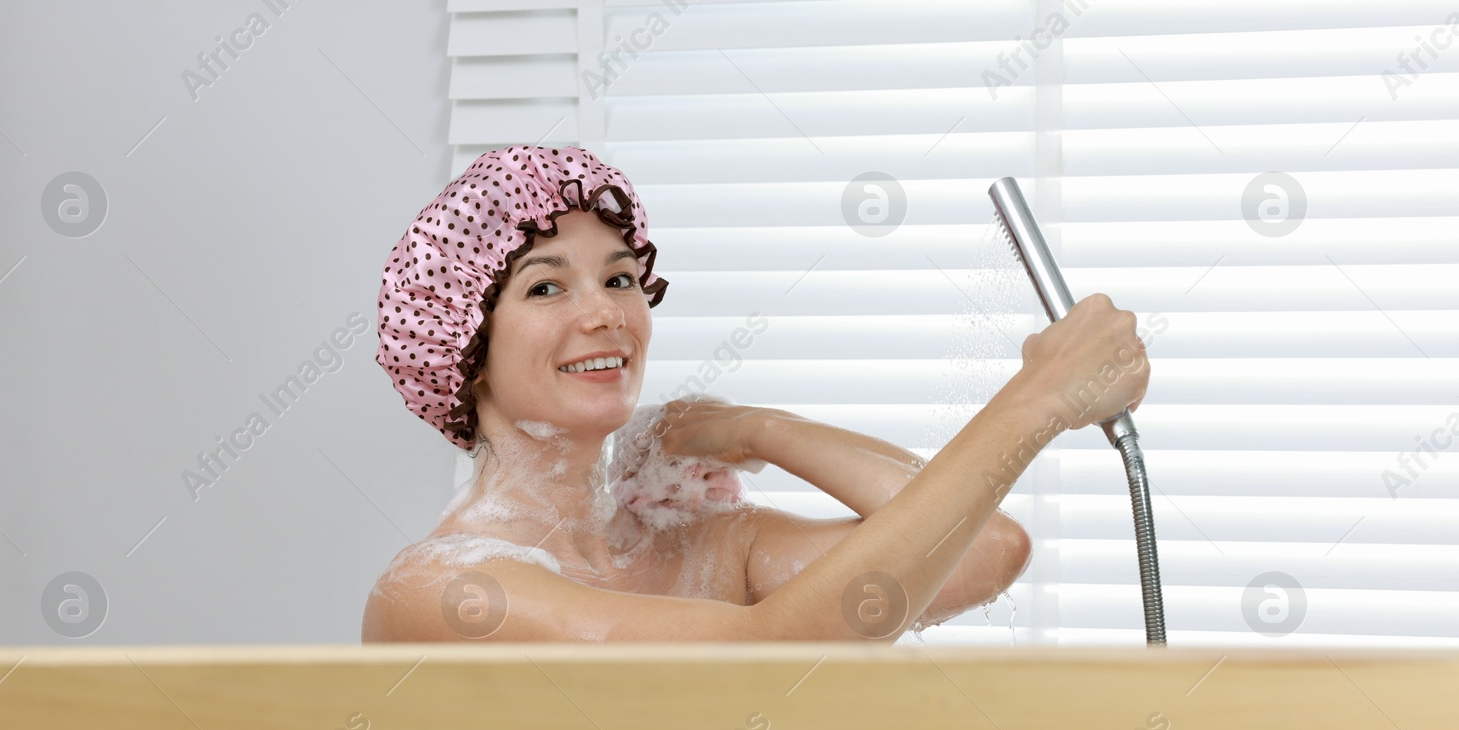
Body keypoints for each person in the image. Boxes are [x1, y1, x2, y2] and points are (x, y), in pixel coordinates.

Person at [362, 144, 1148, 642]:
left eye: (620, 277)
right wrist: (1034, 399)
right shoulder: (446, 589)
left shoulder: (696, 546)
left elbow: (983, 549)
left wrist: (753, 429)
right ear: (465, 349)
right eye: (545, 289)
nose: (604, 312)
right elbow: (760, 663)